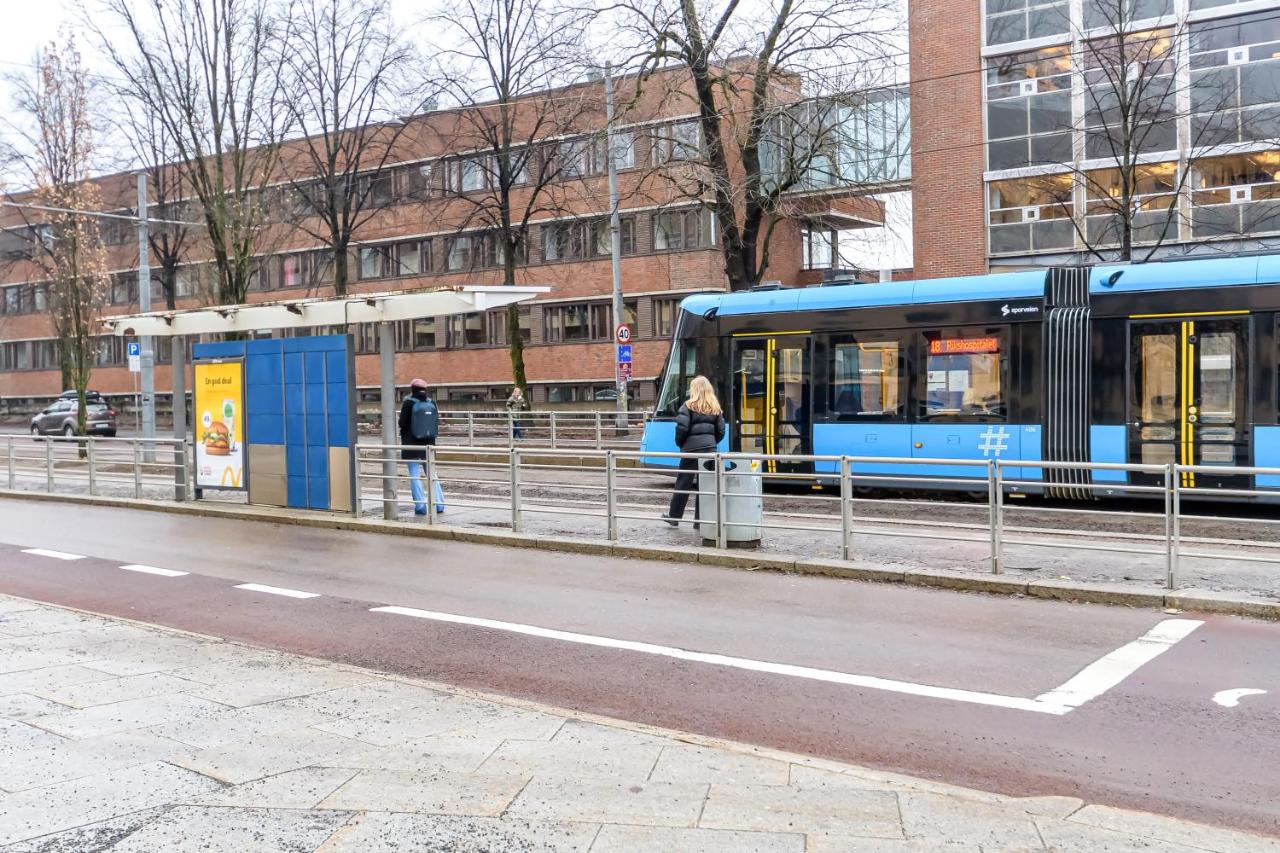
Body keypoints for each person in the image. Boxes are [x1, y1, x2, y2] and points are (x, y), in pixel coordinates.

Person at [661, 375, 725, 529]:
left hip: (691, 451)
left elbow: (682, 429)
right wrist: (711, 444)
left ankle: (674, 517)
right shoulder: (715, 408)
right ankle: (700, 521)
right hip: (709, 452)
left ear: (694, 389)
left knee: (683, 483)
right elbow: (721, 431)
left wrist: (681, 444)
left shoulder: (687, 406)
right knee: (705, 486)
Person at [398, 378, 443, 516]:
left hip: (412, 446)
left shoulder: (408, 403)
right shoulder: (431, 403)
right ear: (425, 389)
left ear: (412, 389)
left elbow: (402, 423)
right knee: (433, 475)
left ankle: (420, 506)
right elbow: (436, 422)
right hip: (429, 445)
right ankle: (439, 505)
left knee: (414, 475)